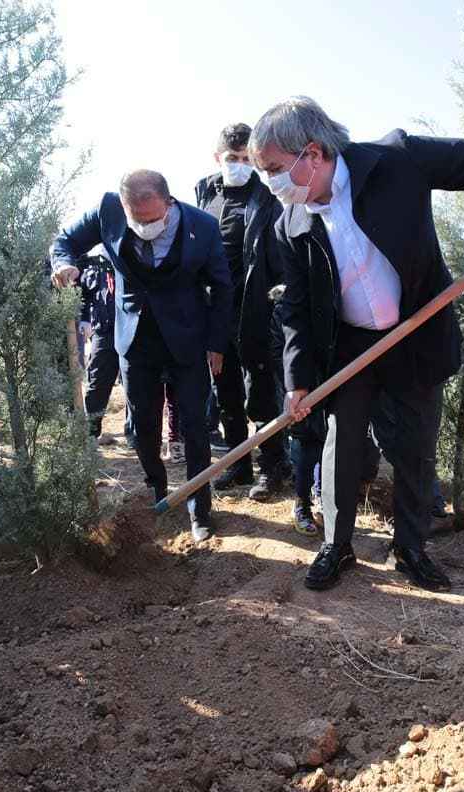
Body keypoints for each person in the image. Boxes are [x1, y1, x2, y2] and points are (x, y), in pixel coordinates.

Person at [250, 96, 464, 591]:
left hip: (416, 331)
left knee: (414, 448)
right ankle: (337, 543)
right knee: (341, 443)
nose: (270, 182)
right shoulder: (291, 222)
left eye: (274, 168)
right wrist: (298, 380)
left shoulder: (396, 159)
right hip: (349, 346)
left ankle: (410, 549)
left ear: (312, 153)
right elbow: (297, 308)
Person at [51, 171, 233, 543]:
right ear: (124, 208)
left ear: (168, 203)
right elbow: (65, 241)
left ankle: (200, 507)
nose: (145, 227)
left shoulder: (203, 226)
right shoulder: (107, 211)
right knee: (142, 427)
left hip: (187, 338)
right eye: (137, 220)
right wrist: (63, 263)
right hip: (135, 341)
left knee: (196, 426)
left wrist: (217, 343)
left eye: (152, 220)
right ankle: (158, 493)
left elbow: (222, 287)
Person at [196, 123, 290, 500]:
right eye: (231, 158)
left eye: (245, 159)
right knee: (226, 392)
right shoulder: (206, 194)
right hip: (217, 312)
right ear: (218, 158)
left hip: (257, 309)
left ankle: (272, 468)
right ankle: (238, 465)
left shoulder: (268, 195)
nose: (238, 165)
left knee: (261, 392)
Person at [77, 254, 119, 444]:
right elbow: (83, 291)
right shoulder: (91, 262)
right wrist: (84, 319)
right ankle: (91, 434)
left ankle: (136, 436)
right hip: (104, 329)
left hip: (134, 330)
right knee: (98, 381)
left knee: (138, 384)